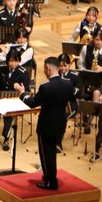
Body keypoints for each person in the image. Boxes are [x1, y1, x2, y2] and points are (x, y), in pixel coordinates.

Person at [23, 56, 74, 189]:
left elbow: (32, 103)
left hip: (46, 125)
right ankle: (50, 178)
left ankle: (50, 181)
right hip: (60, 124)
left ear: (48, 69)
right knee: (52, 152)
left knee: (46, 155)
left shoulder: (45, 87)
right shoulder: (68, 83)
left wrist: (22, 93)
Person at [0, 50, 28, 150]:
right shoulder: (2, 69)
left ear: (19, 61)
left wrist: (19, 89)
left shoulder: (23, 72)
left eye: (15, 61)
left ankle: (6, 138)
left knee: (8, 114)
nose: (13, 63)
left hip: (15, 100)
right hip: (2, 98)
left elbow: (26, 91)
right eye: (10, 61)